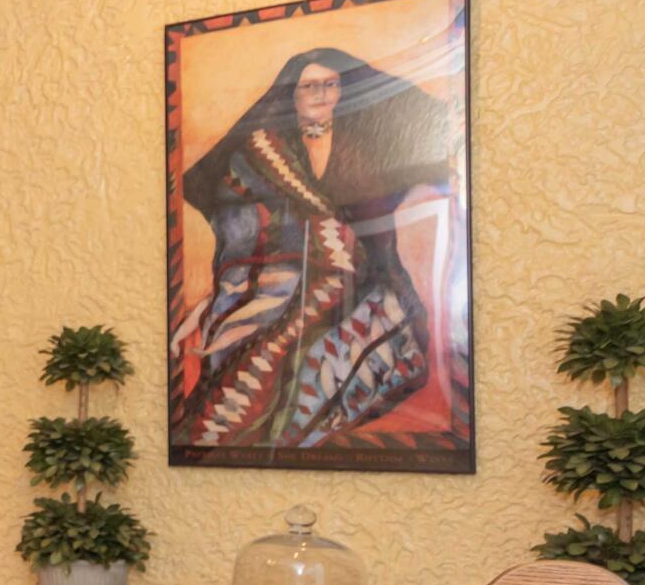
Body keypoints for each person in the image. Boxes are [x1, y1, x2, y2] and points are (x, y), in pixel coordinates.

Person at [171, 46, 458, 451]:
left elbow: (434, 138)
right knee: (259, 347)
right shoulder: (261, 152)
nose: (322, 94)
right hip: (273, 282)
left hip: (367, 279)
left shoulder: (366, 146)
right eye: (310, 86)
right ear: (292, 94)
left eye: (331, 84)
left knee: (328, 351)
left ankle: (279, 434)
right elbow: (243, 221)